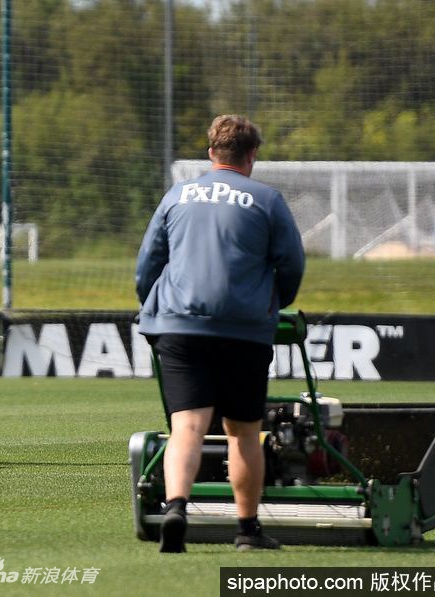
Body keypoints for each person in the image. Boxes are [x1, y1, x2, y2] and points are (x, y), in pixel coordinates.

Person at [135, 115, 305, 553]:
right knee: (243, 432)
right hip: (243, 330)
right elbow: (291, 264)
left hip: (179, 326)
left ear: (211, 152)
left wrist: (152, 304)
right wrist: (274, 302)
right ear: (252, 155)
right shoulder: (267, 199)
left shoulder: (177, 195)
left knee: (186, 427)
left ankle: (176, 507)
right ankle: (247, 530)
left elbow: (148, 263)